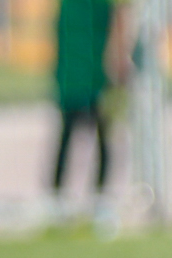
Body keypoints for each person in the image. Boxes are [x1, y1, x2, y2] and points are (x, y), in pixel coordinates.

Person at [50, 0, 130, 223]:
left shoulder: (103, 5)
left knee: (103, 135)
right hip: (75, 70)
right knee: (68, 133)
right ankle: (57, 198)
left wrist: (117, 62)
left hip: (98, 73)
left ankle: (100, 198)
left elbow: (118, 21)